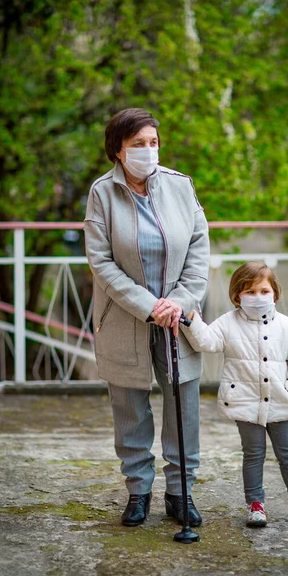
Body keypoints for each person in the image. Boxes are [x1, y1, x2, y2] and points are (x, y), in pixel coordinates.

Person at [84, 108, 210, 527]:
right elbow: (100, 262)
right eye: (138, 144)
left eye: (153, 142)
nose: (148, 150)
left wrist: (179, 300)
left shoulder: (180, 186)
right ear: (118, 149)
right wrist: (148, 305)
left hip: (178, 317)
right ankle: (138, 492)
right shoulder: (102, 193)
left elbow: (199, 250)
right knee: (130, 409)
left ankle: (180, 492)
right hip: (124, 317)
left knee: (182, 407)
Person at [181, 261, 288, 527]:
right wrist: (192, 323)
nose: (258, 297)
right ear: (238, 295)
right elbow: (208, 341)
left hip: (281, 400)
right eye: (250, 292)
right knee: (253, 454)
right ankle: (255, 504)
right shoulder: (227, 323)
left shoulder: (287, 326)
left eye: (263, 291)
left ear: (275, 293)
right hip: (245, 402)